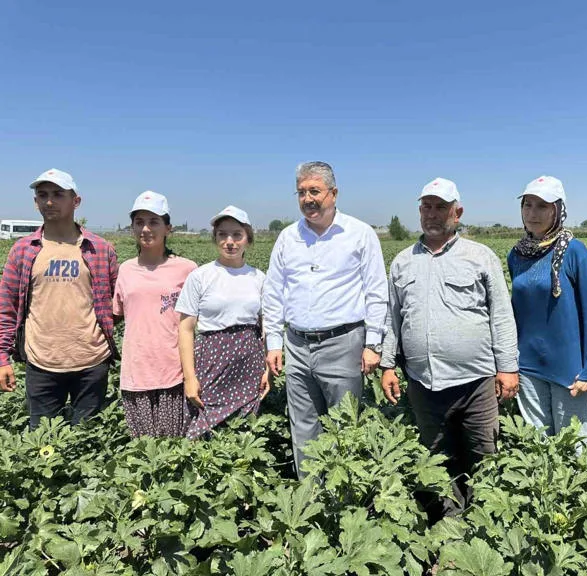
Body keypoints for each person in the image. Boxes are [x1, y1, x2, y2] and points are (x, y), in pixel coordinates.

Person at [380, 177, 519, 518]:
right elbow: (392, 318)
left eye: (440, 207)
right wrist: (387, 365)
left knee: (483, 456)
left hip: (476, 382)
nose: (432, 214)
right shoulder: (402, 262)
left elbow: (501, 315)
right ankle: (449, 529)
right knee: (438, 459)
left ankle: (484, 524)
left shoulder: (480, 256)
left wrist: (508, 367)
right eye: (426, 207)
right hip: (425, 384)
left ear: (457, 213)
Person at [262, 161, 388, 478]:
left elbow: (376, 291)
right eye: (302, 192)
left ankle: (345, 500)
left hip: (343, 343)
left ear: (333, 193)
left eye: (314, 191)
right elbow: (273, 292)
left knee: (345, 427)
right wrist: (274, 342)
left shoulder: (360, 235)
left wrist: (373, 343)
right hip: (298, 344)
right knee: (303, 425)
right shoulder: (287, 238)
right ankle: (311, 498)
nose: (308, 198)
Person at [0, 168, 119, 429]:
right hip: (42, 363)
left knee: (87, 441)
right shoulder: (23, 250)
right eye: (42, 195)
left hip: (91, 362)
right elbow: (6, 309)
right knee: (41, 441)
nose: (49, 201)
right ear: (35, 202)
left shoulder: (100, 248)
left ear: (75, 201)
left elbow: (116, 303)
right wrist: (2, 358)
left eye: (58, 194)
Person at [507, 176, 587, 445]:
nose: (532, 213)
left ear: (558, 210)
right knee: (537, 445)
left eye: (542, 206)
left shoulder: (574, 252)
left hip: (570, 370)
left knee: (573, 445)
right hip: (528, 366)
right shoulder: (516, 255)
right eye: (527, 205)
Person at [175, 206, 270, 439]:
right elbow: (186, 329)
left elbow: (266, 327)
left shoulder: (259, 278)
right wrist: (190, 377)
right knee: (203, 424)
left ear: (248, 238)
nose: (230, 242)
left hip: (249, 362)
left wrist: (267, 369)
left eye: (237, 235)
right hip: (211, 360)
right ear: (215, 238)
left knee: (245, 429)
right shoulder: (201, 276)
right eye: (223, 235)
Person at [113, 191, 197, 437]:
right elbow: (115, 313)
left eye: (154, 222)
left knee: (174, 450)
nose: (146, 229)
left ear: (168, 228)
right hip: (136, 372)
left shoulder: (187, 268)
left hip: (174, 372)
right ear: (132, 228)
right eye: (139, 222)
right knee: (143, 451)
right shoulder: (125, 269)